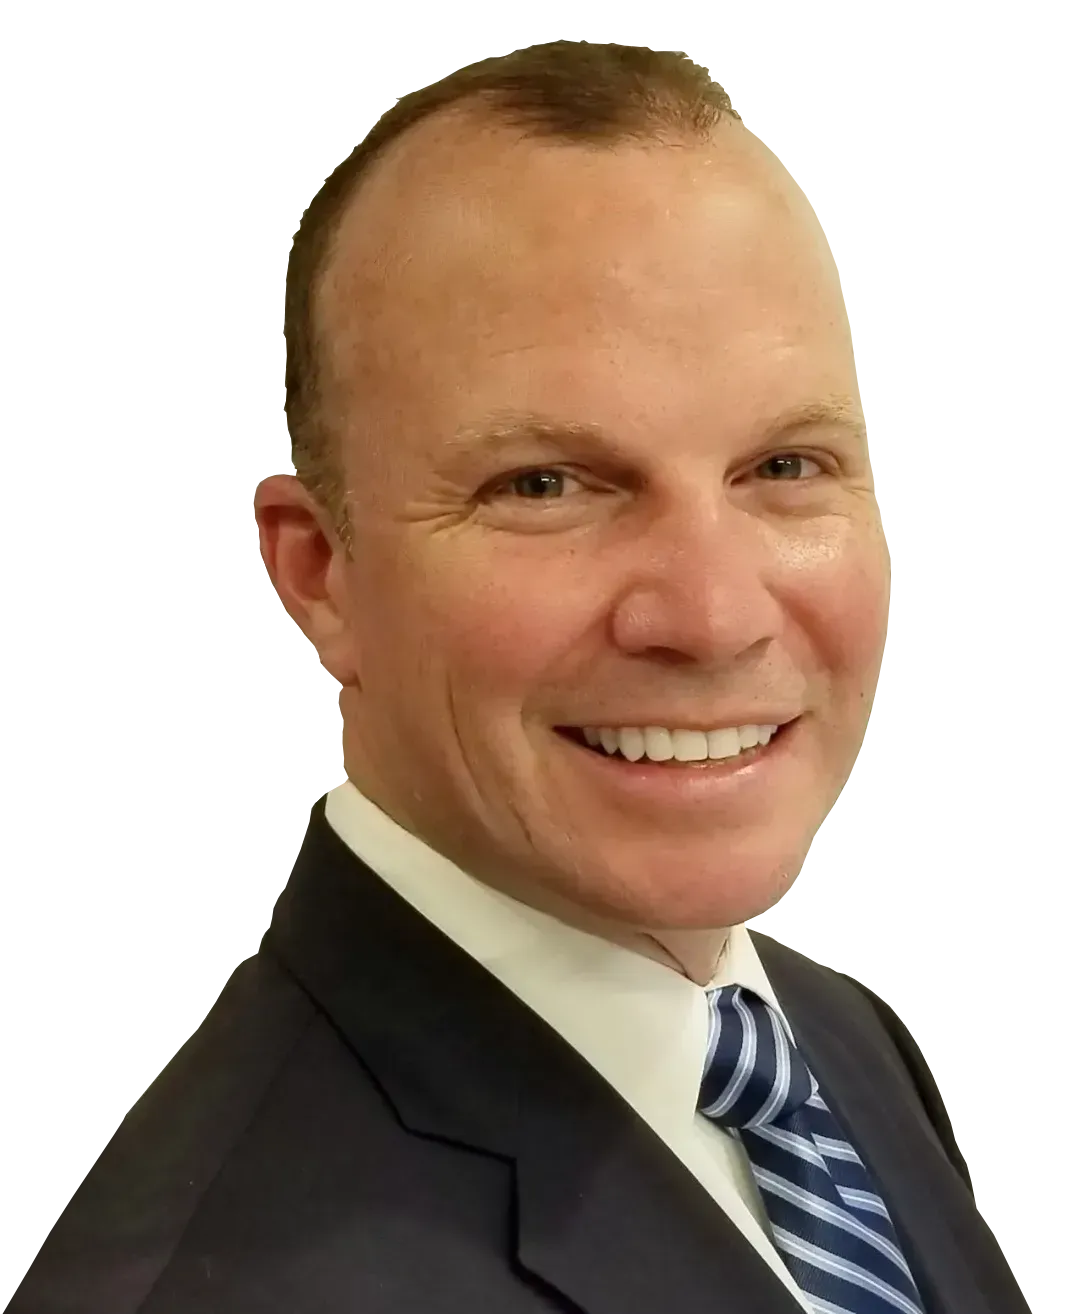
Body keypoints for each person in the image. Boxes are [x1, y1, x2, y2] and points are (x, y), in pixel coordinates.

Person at [10, 41, 1028, 1314]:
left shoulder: (827, 1038)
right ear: (320, 574)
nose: (711, 616)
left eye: (783, 466)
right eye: (545, 485)